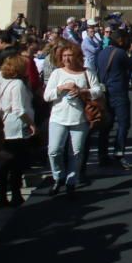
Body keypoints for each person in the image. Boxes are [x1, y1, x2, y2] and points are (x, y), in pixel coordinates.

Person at [43, 44, 102, 196]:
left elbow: (98, 90)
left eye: (70, 55)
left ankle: (71, 181)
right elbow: (46, 96)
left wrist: (82, 91)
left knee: (76, 152)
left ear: (77, 57)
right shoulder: (57, 73)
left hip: (80, 118)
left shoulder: (87, 73)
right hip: (58, 117)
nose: (67, 59)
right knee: (54, 150)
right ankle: (58, 176)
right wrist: (61, 88)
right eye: (64, 56)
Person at [0, 54, 37, 207]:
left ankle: (2, 195)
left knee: (4, 164)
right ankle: (16, 194)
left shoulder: (0, 77)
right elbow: (19, 109)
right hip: (16, 126)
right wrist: (31, 124)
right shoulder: (18, 84)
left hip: (3, 123)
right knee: (16, 164)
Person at [97, 29, 132, 169]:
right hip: (119, 92)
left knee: (106, 125)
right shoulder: (120, 53)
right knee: (124, 123)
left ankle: (102, 154)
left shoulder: (102, 52)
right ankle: (119, 153)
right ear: (120, 40)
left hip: (105, 92)